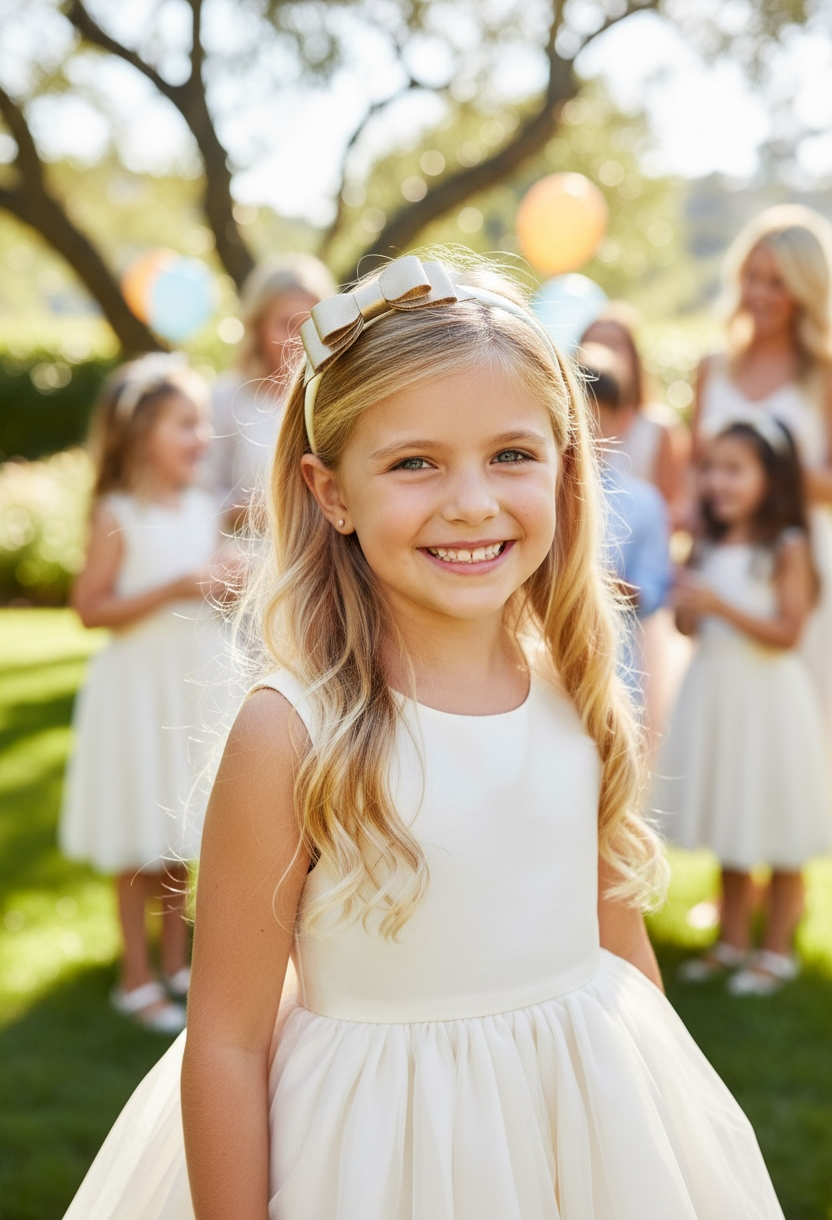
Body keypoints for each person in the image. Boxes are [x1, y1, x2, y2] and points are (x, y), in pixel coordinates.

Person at [63, 255, 784, 1219]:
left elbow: (621, 948)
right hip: (370, 1153)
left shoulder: (575, 686)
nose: (473, 502)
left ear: (568, 463)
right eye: (415, 462)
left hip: (582, 1122)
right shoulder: (293, 731)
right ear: (332, 493)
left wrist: (671, 1114)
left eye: (512, 455)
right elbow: (228, 1040)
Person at [60, 355, 228, 1033]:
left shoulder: (202, 508)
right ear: (140, 437)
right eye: (185, 423)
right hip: (136, 692)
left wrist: (224, 583)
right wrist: (177, 587)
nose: (201, 437)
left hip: (188, 686)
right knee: (139, 837)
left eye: (203, 423)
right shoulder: (117, 512)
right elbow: (89, 608)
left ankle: (178, 962)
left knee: (181, 829)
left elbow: (205, 586)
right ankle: (135, 976)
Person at [656, 419, 831, 994]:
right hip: (717, 692)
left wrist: (720, 605)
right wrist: (688, 598)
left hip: (768, 699)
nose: (717, 482)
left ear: (770, 479)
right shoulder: (707, 542)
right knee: (731, 813)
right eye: (711, 468)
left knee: (775, 822)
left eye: (734, 469)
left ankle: (775, 950)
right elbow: (687, 627)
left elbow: (787, 631)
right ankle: (730, 942)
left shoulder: (788, 545)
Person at [692, 205, 832, 735]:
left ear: (806, 288)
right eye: (753, 276)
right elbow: (693, 474)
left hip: (804, 562)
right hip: (725, 557)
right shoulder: (712, 367)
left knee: (809, 721)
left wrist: (768, 472)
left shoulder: (824, 373)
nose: (760, 293)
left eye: (778, 282)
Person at [206, 254, 335, 528]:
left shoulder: (337, 398)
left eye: (309, 326)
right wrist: (268, 510)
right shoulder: (227, 398)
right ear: (258, 327)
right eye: (285, 324)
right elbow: (198, 493)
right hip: (247, 557)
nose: (297, 340)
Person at [579, 345, 671, 704]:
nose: (584, 432)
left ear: (621, 422)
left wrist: (614, 586)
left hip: (612, 667)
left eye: (597, 419)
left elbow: (654, 588)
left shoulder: (644, 503)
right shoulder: (530, 492)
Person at [580, 305, 689, 521]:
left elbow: (674, 501)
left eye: (614, 345)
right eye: (594, 343)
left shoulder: (657, 427)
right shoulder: (568, 422)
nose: (603, 352)